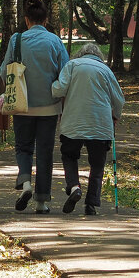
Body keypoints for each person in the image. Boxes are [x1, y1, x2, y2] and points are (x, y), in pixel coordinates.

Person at [0, 0, 68, 214]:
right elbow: (65, 73)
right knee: (45, 152)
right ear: (45, 20)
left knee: (23, 147)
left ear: (27, 20)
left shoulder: (16, 40)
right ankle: (42, 202)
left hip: (22, 104)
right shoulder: (55, 41)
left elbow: (3, 71)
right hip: (49, 107)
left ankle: (26, 184)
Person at [52, 42, 124, 215]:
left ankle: (74, 186)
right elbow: (119, 100)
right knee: (97, 165)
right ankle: (91, 204)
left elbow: (58, 90)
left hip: (73, 123)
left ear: (81, 54)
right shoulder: (106, 71)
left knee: (69, 156)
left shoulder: (72, 66)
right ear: (99, 56)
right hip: (100, 124)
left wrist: (51, 85)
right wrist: (115, 116)